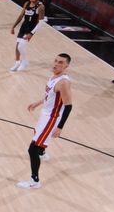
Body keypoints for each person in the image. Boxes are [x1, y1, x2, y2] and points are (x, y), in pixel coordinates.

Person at [17, 53, 73, 190]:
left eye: (61, 62)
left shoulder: (63, 82)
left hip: (52, 119)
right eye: (55, 60)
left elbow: (68, 105)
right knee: (37, 137)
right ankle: (43, 153)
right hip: (46, 115)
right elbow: (50, 96)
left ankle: (34, 181)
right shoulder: (54, 76)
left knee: (32, 149)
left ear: (67, 66)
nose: (56, 64)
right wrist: (38, 103)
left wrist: (59, 127)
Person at [9, 0, 45, 71]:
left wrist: (31, 33)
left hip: (31, 28)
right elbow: (21, 16)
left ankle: (25, 61)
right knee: (17, 46)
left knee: (21, 46)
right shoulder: (27, 3)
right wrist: (13, 26)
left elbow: (41, 23)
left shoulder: (40, 7)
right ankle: (17, 62)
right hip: (24, 26)